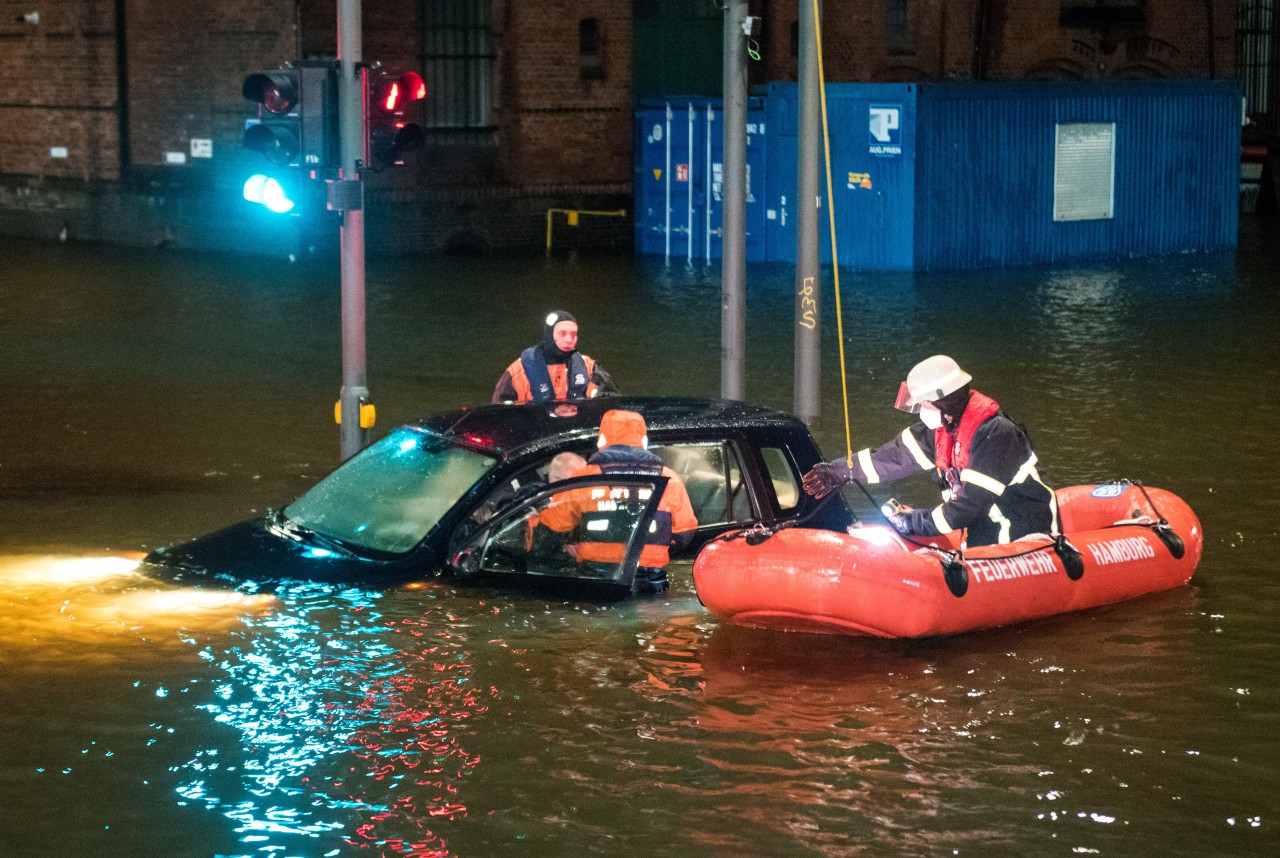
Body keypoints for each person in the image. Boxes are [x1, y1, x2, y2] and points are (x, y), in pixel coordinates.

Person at [802, 355, 1056, 547]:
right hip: (981, 535)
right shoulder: (940, 430)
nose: (922, 411)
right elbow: (890, 459)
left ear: (944, 400)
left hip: (1021, 536)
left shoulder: (996, 435)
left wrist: (912, 522)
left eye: (925, 404)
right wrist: (838, 472)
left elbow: (969, 507)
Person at [538, 409, 698, 590]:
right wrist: (651, 548)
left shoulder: (584, 478)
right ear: (644, 441)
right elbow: (685, 534)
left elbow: (549, 529)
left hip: (597, 582)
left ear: (601, 441)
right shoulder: (670, 479)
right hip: (649, 583)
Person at [492, 311, 618, 404]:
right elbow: (499, 415)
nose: (569, 340)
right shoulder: (518, 373)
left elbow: (613, 403)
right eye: (562, 334)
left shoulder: (589, 368)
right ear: (549, 334)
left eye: (573, 334)